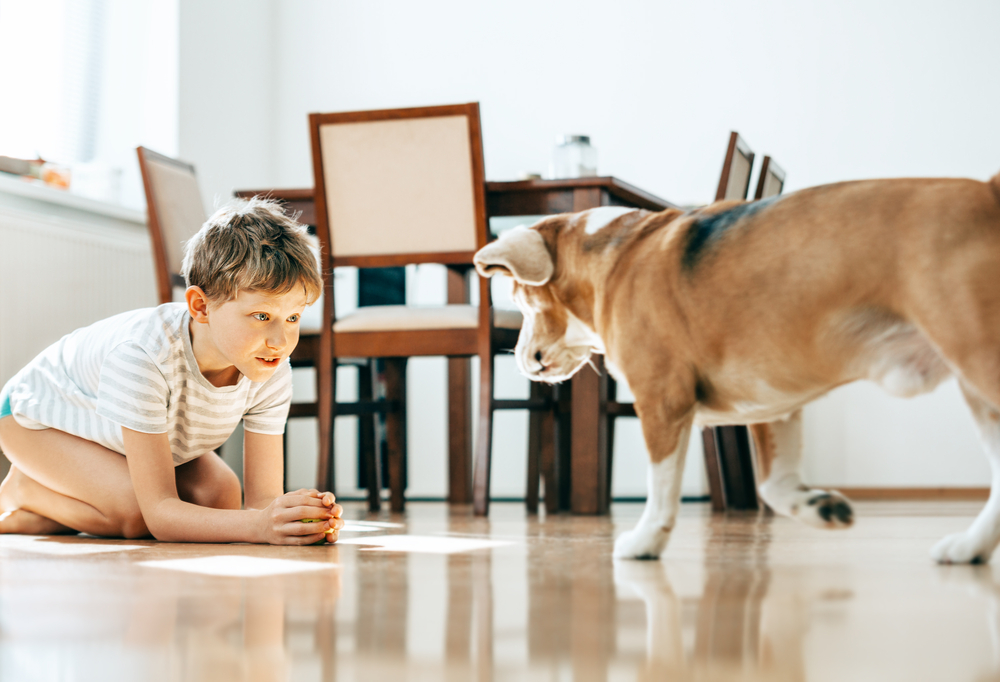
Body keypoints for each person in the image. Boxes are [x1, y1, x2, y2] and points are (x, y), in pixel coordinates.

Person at [0, 197, 344, 544]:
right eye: (262, 317)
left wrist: (293, 522)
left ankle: (50, 505)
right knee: (137, 515)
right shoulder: (144, 357)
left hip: (115, 434)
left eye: (293, 318)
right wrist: (256, 527)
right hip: (34, 417)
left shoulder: (269, 366)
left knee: (222, 497)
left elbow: (262, 504)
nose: (280, 340)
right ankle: (25, 489)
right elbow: (160, 513)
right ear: (201, 306)